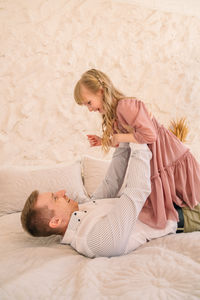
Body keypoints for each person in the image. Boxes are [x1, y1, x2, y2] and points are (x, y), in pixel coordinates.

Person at [74, 68, 200, 230]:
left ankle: (187, 222)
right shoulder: (117, 114)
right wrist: (102, 141)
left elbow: (149, 135)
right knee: (165, 208)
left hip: (172, 159)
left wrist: (119, 137)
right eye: (86, 106)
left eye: (89, 103)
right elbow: (130, 141)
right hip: (162, 161)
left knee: (191, 202)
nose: (89, 109)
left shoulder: (125, 106)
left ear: (101, 91)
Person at [21, 143, 177, 258]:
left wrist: (124, 139)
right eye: (55, 198)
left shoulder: (81, 210)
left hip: (170, 195)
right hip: (180, 214)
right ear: (55, 221)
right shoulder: (93, 240)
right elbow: (137, 191)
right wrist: (139, 143)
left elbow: (112, 182)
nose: (62, 192)